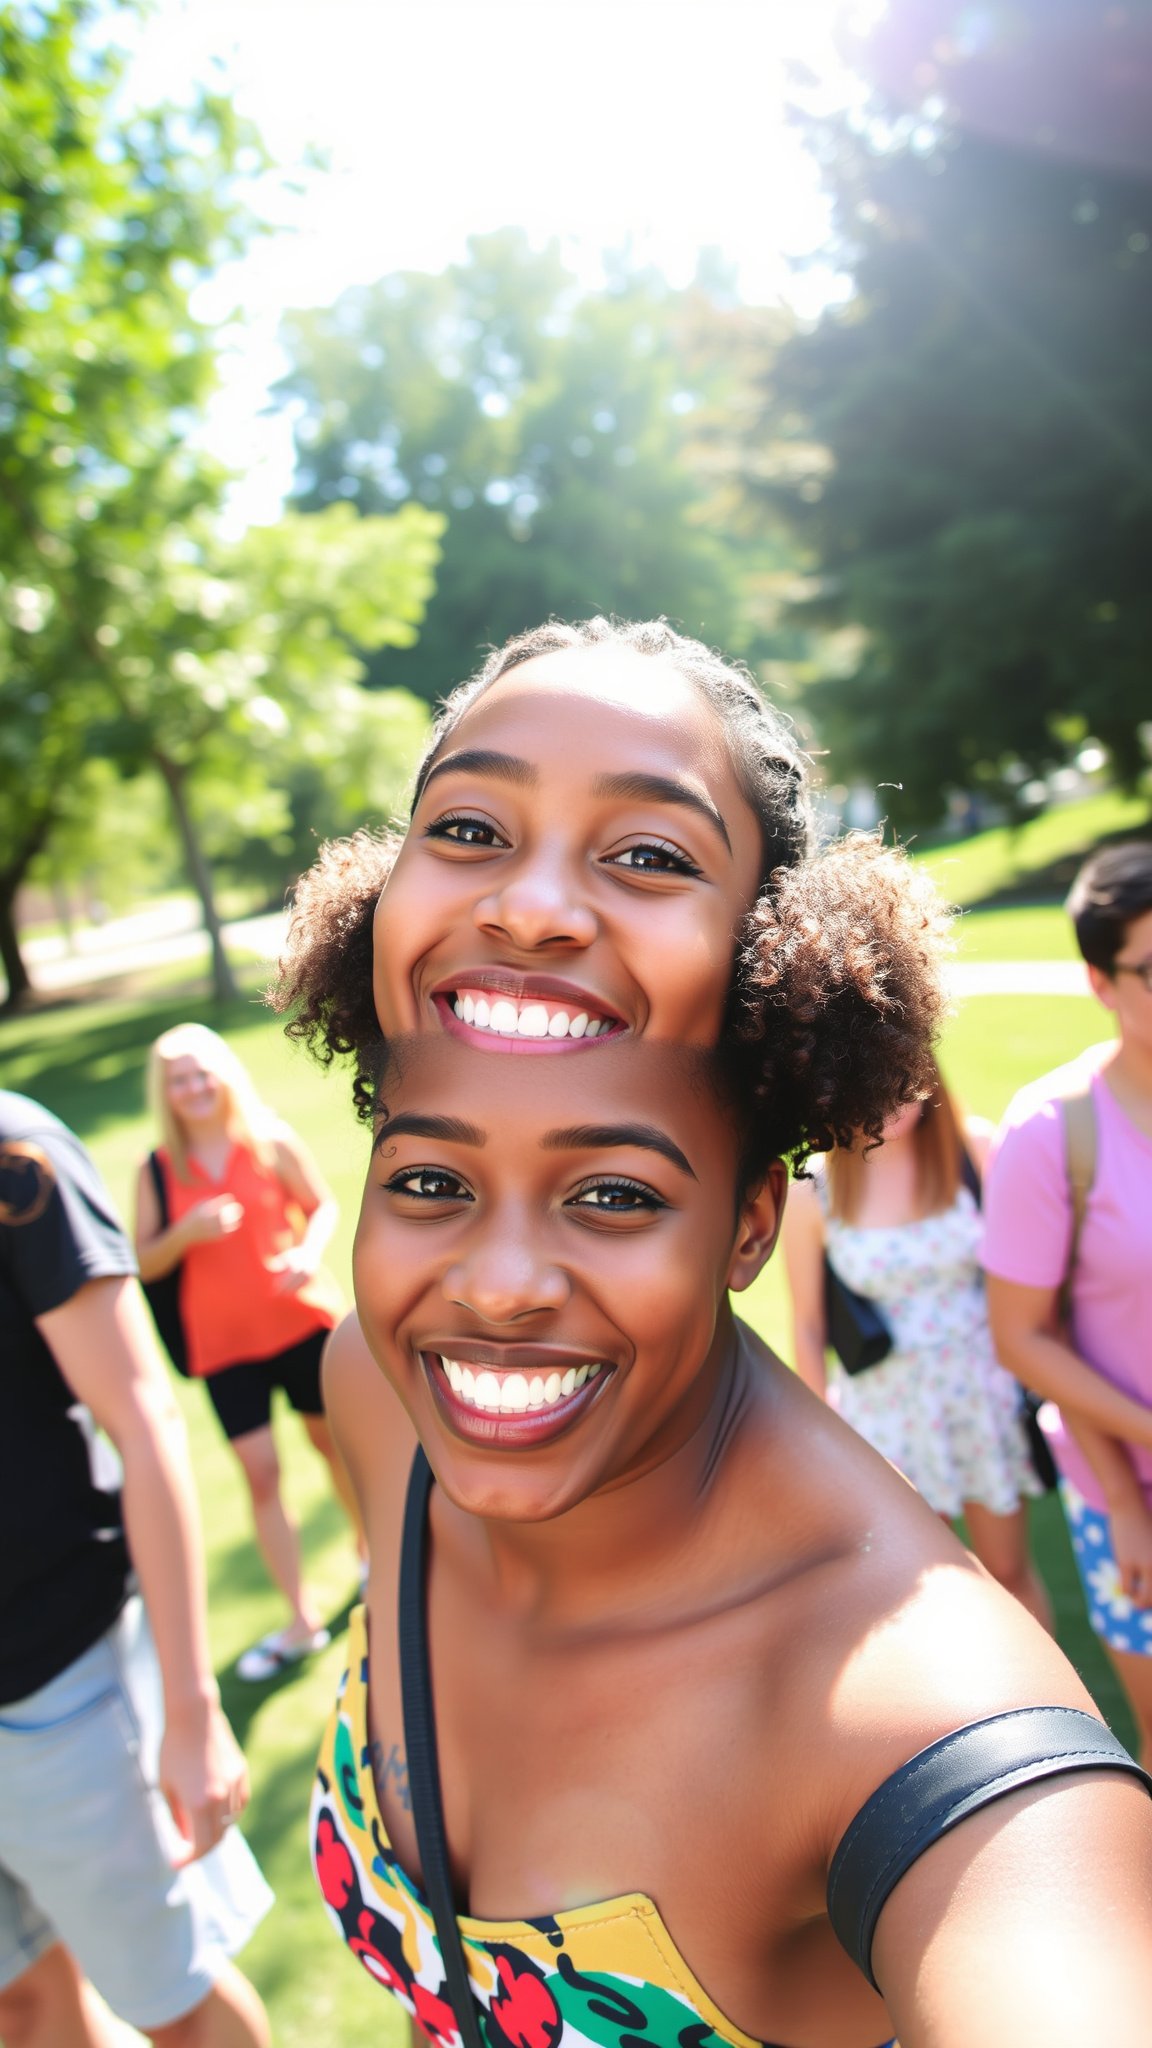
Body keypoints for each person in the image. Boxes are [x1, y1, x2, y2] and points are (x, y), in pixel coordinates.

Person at [312, 1032, 1152, 2048]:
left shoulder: (905, 1703)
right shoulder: (382, 1393)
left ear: (750, 1222)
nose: (497, 1288)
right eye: (434, 1178)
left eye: (615, 1193)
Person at [0, 1089, 271, 2048]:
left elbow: (145, 1422)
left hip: (63, 1688)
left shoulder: (16, 1160)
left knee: (177, 2006)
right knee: (19, 2007)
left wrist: (192, 1715)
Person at [984, 841, 1152, 1757]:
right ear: (1101, 980)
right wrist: (1127, 1489)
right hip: (1125, 1492)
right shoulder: (1053, 1133)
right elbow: (1025, 1338)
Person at [782, 1061, 1050, 1628]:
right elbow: (808, 1325)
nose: (891, 1101)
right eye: (872, 1083)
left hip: (981, 1394)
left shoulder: (971, 1148)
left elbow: (1029, 1273)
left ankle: (1059, 1708)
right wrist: (819, 1440)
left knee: (1007, 1570)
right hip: (886, 1410)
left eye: (903, 1081)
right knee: (922, 1590)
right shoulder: (815, 1191)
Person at [136, 1023, 358, 1682]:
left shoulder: (269, 1138)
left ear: (223, 1073)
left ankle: (369, 1559)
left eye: (202, 1072)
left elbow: (321, 1207)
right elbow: (143, 1262)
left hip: (300, 1324)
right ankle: (300, 1616)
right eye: (179, 1078)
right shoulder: (159, 1169)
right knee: (261, 1475)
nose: (194, 1087)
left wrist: (306, 1253)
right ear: (166, 1093)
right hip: (225, 1347)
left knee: (337, 1447)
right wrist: (185, 1233)